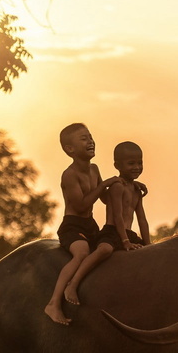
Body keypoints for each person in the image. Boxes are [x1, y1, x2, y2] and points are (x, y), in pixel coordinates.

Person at [44, 123, 121, 325]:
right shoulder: (69, 175)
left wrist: (125, 184)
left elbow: (104, 198)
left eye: (91, 137)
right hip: (73, 226)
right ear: (70, 149)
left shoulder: (94, 169)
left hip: (90, 225)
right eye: (84, 138)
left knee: (109, 250)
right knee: (82, 253)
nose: (91, 141)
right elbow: (80, 205)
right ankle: (54, 303)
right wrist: (104, 184)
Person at [62, 141, 150, 305]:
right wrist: (125, 241)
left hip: (128, 233)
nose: (136, 167)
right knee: (104, 249)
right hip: (113, 231)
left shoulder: (137, 190)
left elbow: (142, 219)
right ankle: (72, 284)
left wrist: (149, 244)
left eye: (139, 162)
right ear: (117, 165)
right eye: (131, 163)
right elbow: (117, 217)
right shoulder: (117, 187)